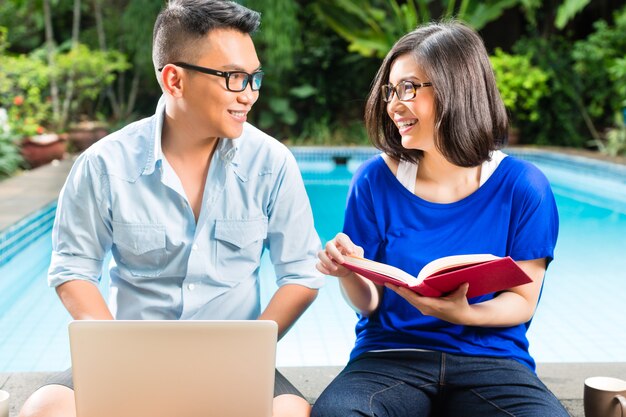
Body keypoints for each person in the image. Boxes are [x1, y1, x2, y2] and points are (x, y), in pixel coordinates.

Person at [18, 1, 324, 416]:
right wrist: (113, 353)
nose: (249, 94)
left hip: (234, 362)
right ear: (174, 80)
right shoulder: (104, 165)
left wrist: (249, 348)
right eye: (234, 78)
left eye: (254, 77)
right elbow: (73, 268)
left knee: (290, 412)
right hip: (127, 356)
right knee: (46, 408)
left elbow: (301, 274)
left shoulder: (272, 164)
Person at [313, 21, 569, 417]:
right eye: (391, 90)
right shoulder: (373, 181)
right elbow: (369, 304)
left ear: (458, 90)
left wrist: (463, 313)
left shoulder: (524, 187)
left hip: (493, 361)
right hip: (390, 357)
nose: (394, 104)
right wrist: (348, 270)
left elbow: (522, 301)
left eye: (409, 88)